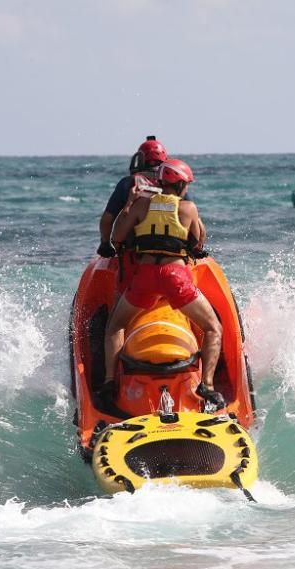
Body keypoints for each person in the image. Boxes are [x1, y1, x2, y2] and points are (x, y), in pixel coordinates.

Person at [99, 158, 224, 409]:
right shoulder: (188, 208)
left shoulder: (141, 205)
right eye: (186, 184)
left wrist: (131, 203)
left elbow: (117, 236)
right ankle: (207, 385)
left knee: (115, 327)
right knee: (212, 327)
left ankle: (110, 381)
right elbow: (198, 243)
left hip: (145, 275)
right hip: (175, 276)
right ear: (179, 185)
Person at [96, 136, 192, 257]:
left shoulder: (128, 183)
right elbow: (191, 216)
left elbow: (107, 219)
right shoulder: (175, 183)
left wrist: (105, 244)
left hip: (136, 250)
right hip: (174, 251)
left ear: (140, 159)